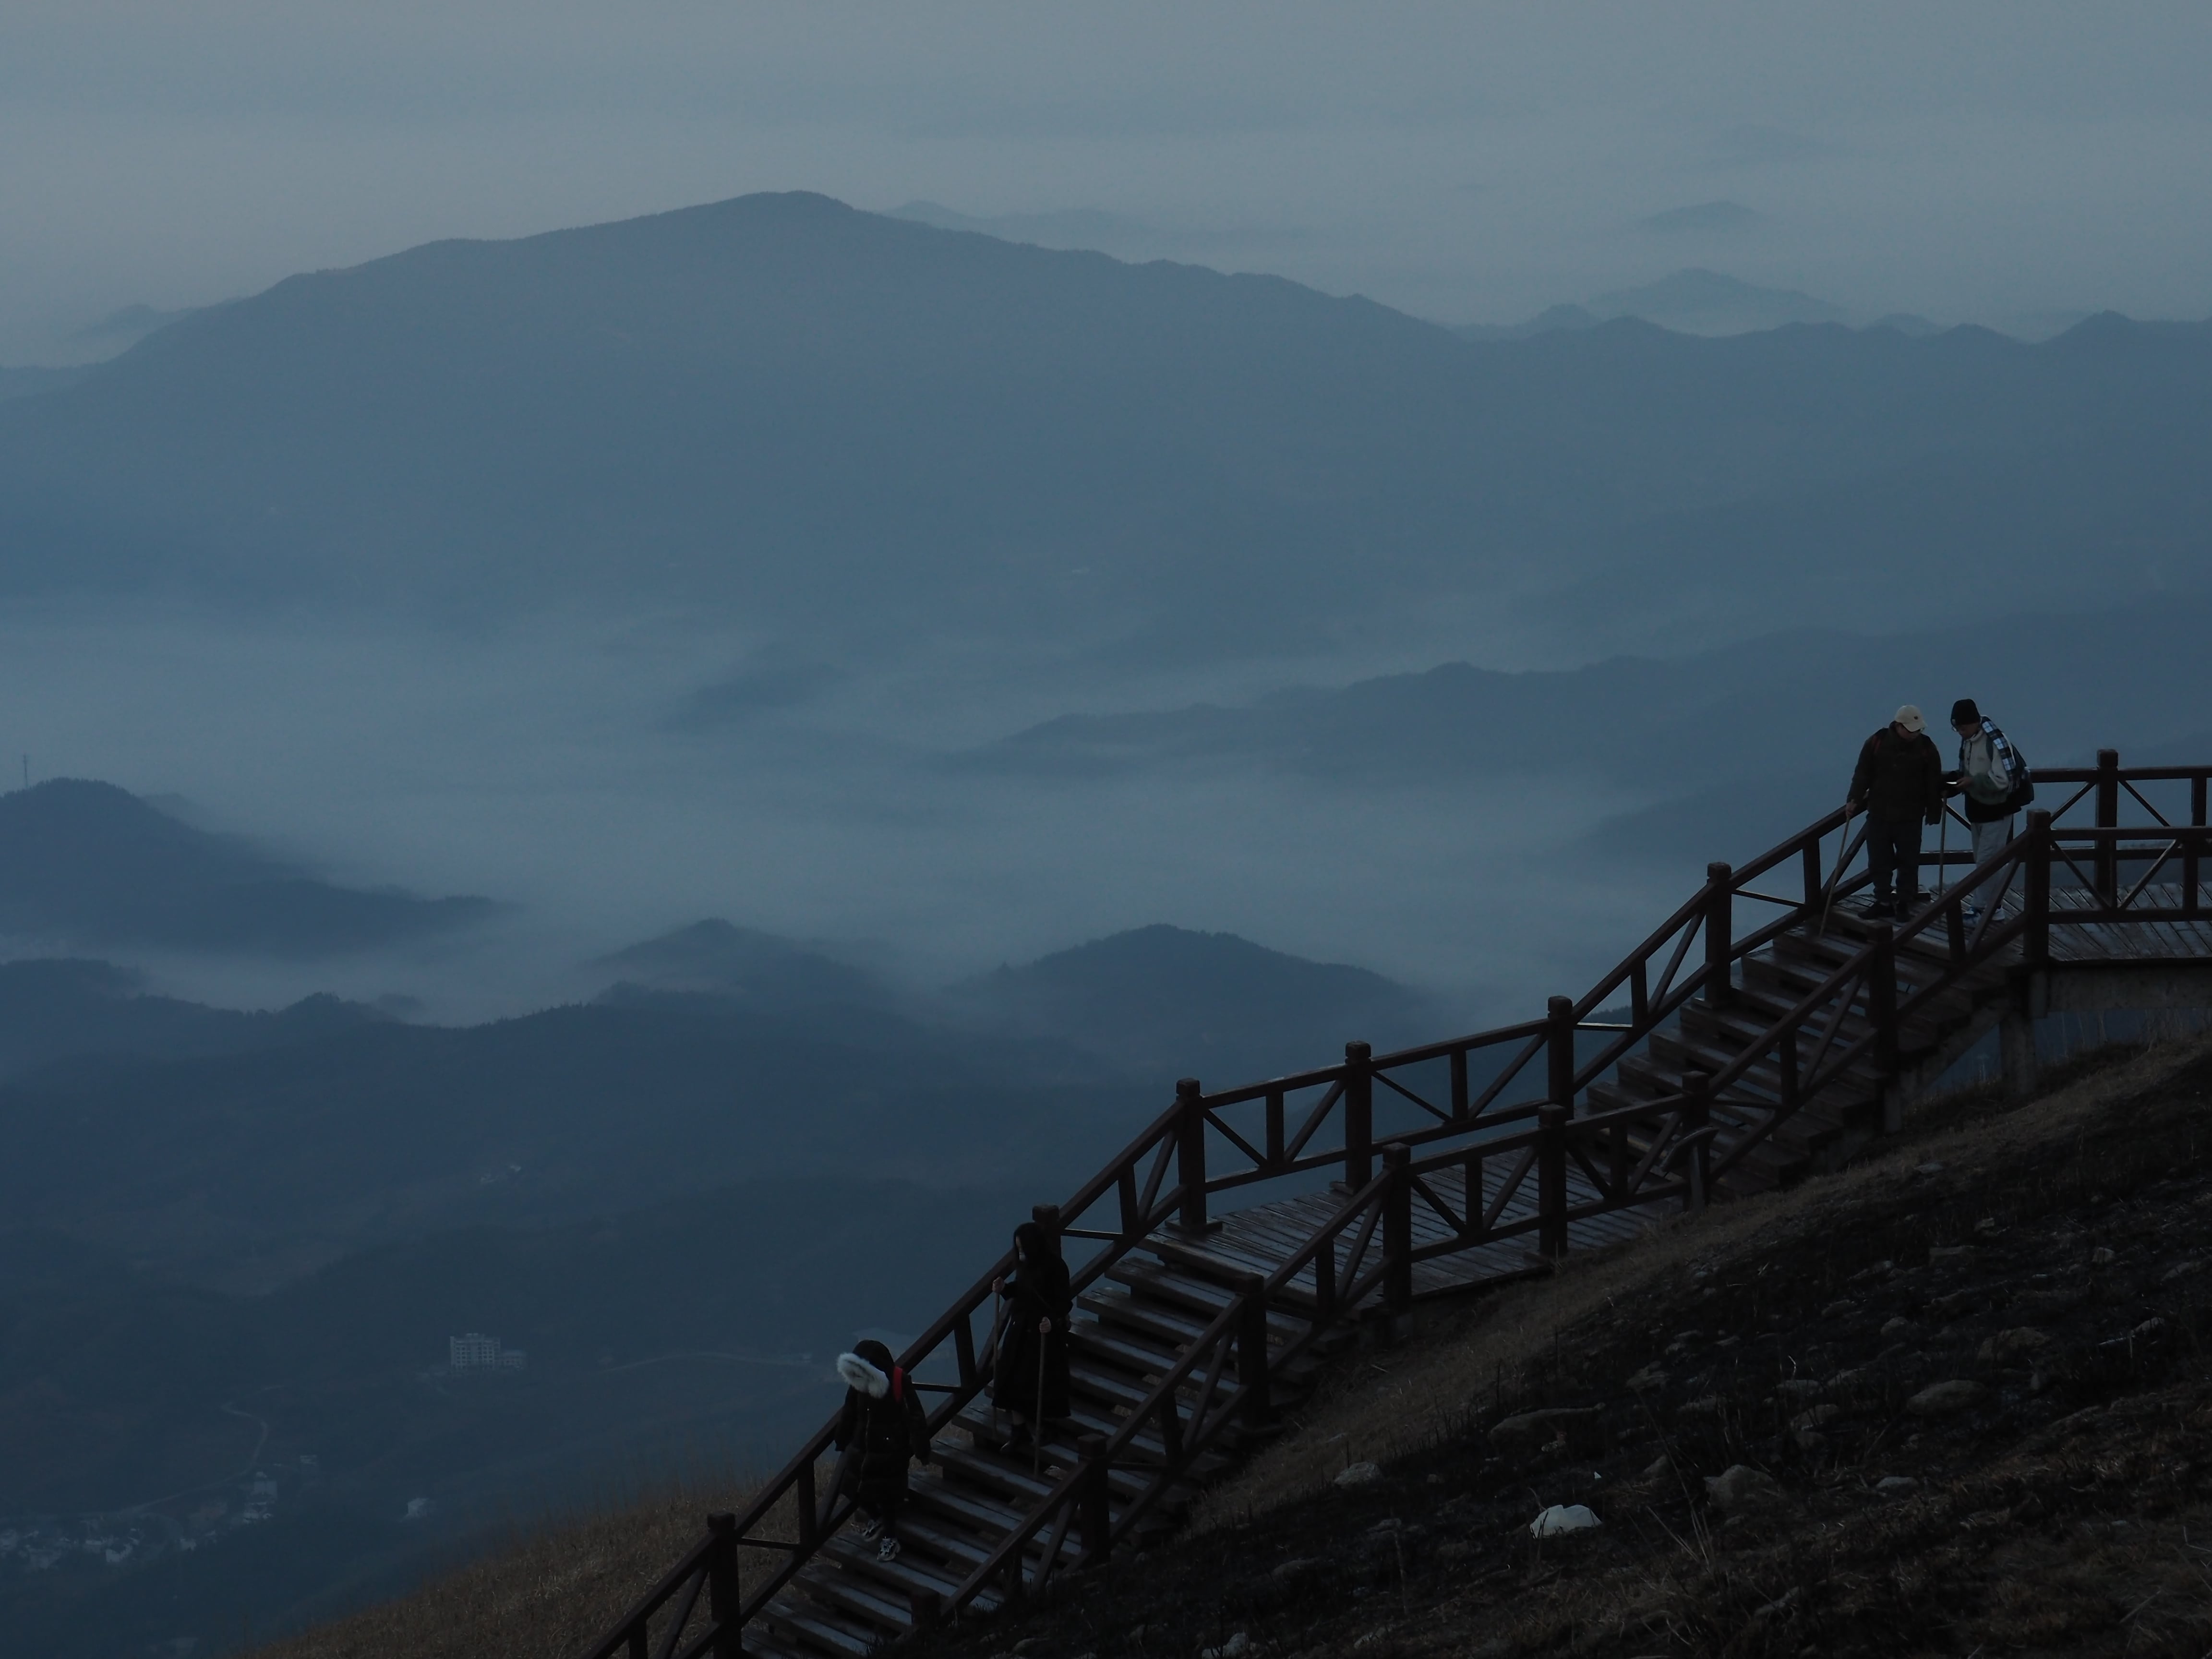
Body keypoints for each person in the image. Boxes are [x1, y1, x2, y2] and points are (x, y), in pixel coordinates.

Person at [833, 1338, 931, 1561]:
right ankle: (876, 1519)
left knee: (886, 1496)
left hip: (890, 1450)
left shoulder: (898, 1381)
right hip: (863, 1448)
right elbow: (849, 1412)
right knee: (854, 1489)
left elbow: (915, 1416)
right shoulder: (858, 1384)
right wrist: (842, 1438)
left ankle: (890, 1538)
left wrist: (921, 1448)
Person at [1845, 705, 1944, 920]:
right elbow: (1862, 773)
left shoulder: (1926, 748)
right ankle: (1882, 900)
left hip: (1911, 815)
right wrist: (1854, 798)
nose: (1915, 733)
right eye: (1911, 729)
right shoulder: (1877, 742)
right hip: (1880, 811)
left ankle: (1903, 902)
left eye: (1918, 729)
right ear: (1898, 726)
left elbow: (1933, 781)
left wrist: (1934, 811)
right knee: (1879, 860)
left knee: (1909, 860)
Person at [1944, 698, 2032, 921]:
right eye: (1957, 728)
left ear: (1974, 722)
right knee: (1984, 859)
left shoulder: (1995, 742)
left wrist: (1973, 782)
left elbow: (2003, 780)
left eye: (1962, 727)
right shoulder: (1970, 741)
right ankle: (1995, 908)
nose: (1960, 732)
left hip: (1998, 809)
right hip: (1977, 808)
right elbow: (1969, 772)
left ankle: (1980, 908)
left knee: (1987, 861)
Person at [990, 1220, 1072, 1447]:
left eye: (1023, 1248)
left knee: (1043, 1382)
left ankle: (1047, 1428)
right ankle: (1019, 1431)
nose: (1021, 1252)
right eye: (1018, 1249)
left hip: (1043, 1332)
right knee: (1012, 1377)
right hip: (1022, 1329)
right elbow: (1022, 1290)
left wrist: (1052, 1321)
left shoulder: (1056, 1267)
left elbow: (1063, 1301)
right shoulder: (1026, 1267)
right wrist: (1005, 1288)